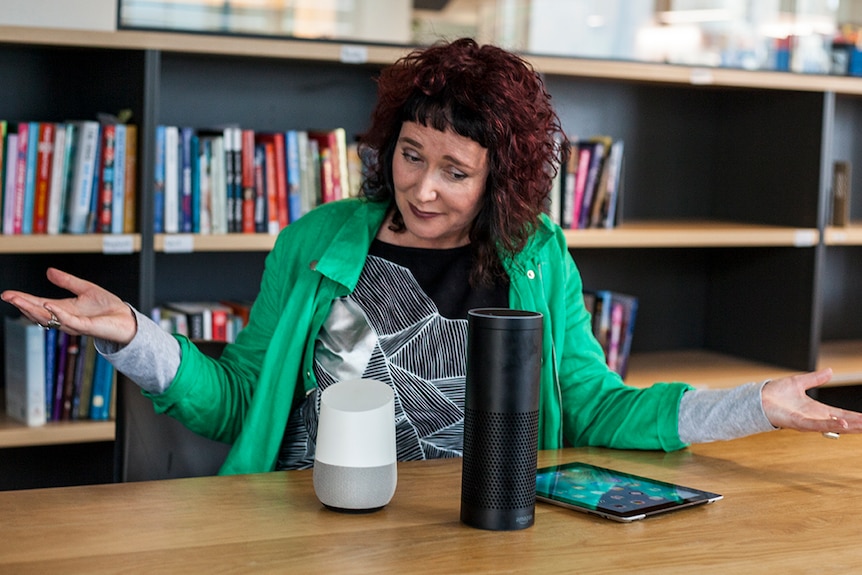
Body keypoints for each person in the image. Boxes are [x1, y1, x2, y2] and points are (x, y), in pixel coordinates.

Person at [3, 38, 860, 475]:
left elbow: (597, 407)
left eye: (456, 171)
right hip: (318, 517)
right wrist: (131, 336)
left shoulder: (535, 254)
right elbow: (234, 402)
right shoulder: (317, 241)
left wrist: (751, 404)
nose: (423, 188)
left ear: (500, 178)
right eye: (411, 154)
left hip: (486, 530)